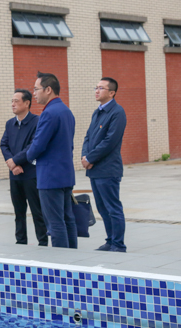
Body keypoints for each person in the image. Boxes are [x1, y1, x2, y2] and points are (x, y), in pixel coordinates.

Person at [26, 72, 77, 249]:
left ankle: (61, 261)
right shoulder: (66, 111)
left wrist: (28, 156)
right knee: (68, 219)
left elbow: (38, 145)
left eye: (36, 89)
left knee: (55, 222)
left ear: (48, 90)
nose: (34, 93)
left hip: (50, 176)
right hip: (65, 174)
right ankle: (73, 256)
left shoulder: (49, 113)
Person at [81, 77, 127, 252]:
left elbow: (110, 141)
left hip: (108, 169)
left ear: (112, 93)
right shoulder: (97, 112)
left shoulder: (117, 112)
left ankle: (118, 244)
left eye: (101, 88)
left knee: (113, 208)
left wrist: (90, 158)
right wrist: (84, 156)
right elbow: (88, 136)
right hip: (95, 169)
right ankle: (110, 240)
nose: (97, 90)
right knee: (102, 208)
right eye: (96, 87)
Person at [0, 89, 48, 246]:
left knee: (37, 211)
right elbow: (4, 144)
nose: (13, 104)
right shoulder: (10, 123)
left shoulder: (37, 122)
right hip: (15, 175)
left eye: (16, 101)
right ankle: (20, 241)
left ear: (27, 103)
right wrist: (11, 163)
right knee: (18, 212)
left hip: (31, 174)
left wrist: (15, 161)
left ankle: (43, 242)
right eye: (12, 101)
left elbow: (33, 146)